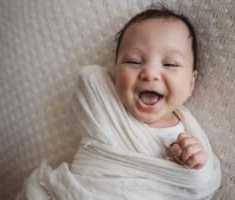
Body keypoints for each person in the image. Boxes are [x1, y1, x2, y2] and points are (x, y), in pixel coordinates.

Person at [16, 6, 221, 200]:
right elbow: (89, 78)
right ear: (115, 71)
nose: (149, 73)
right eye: (133, 61)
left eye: (169, 64)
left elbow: (201, 185)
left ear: (191, 83)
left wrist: (196, 163)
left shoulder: (186, 133)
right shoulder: (107, 105)